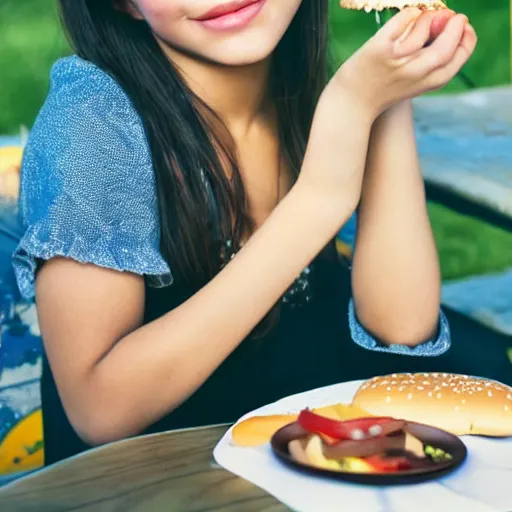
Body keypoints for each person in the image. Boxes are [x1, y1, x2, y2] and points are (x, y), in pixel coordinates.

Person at [12, 1, 476, 465]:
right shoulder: (94, 121)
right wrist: (318, 195)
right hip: (160, 488)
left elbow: (402, 330)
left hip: (310, 475)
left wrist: (386, 98)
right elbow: (97, 409)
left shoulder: (307, 90)